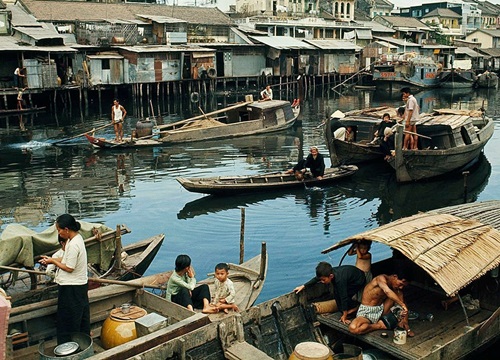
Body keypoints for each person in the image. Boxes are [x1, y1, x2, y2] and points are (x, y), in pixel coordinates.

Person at [39, 214, 90, 344]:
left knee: (68, 320)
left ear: (66, 229)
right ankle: (82, 343)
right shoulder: (75, 239)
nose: (59, 233)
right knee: (79, 317)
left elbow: (69, 267)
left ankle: (70, 347)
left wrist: (53, 262)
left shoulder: (73, 244)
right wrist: (51, 260)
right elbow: (66, 259)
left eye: (59, 230)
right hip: (77, 286)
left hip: (72, 288)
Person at [294, 262, 366, 324]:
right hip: (348, 278)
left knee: (343, 295)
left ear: (331, 276)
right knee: (336, 293)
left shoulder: (339, 280)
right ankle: (347, 310)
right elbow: (316, 279)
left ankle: (356, 306)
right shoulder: (329, 273)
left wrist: (344, 316)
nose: (322, 282)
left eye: (323, 280)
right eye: (321, 280)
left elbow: (343, 297)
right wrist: (303, 286)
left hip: (358, 280)